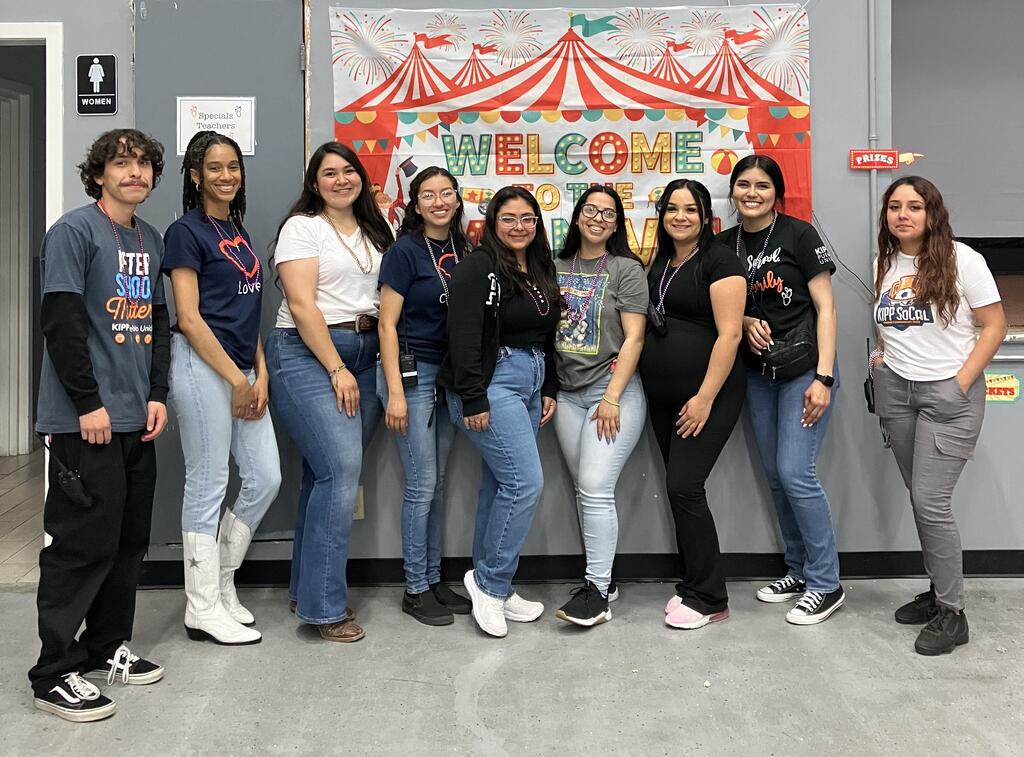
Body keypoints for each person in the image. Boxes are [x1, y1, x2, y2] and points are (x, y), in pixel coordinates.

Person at [30, 129, 170, 722]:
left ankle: (107, 646)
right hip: (84, 419)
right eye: (121, 163)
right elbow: (61, 322)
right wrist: (87, 403)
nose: (134, 172)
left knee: (128, 541)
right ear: (99, 174)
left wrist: (157, 394)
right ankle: (53, 672)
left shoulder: (152, 238)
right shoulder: (73, 232)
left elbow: (156, 323)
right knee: (81, 544)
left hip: (136, 418)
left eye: (143, 164)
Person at [871, 176, 1006, 655]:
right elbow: (892, 322)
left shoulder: (963, 259)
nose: (903, 215)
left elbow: (995, 325)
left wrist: (960, 383)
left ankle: (953, 613)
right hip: (896, 392)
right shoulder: (884, 261)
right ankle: (938, 591)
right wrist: (882, 356)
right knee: (919, 498)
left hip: (948, 394)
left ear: (932, 213)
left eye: (914, 206)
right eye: (894, 207)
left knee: (931, 501)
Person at [265, 142, 393, 643]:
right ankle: (325, 608)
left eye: (348, 171)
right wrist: (336, 368)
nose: (341, 180)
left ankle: (306, 589)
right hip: (308, 352)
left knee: (324, 475)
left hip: (367, 352)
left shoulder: (377, 229)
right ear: (314, 183)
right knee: (340, 472)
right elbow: (301, 305)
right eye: (329, 173)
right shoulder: (303, 228)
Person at [163, 131, 280, 646]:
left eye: (233, 166)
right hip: (202, 367)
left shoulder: (237, 230)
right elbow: (189, 318)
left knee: (266, 477)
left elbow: (246, 313)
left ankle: (223, 582)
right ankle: (202, 606)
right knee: (208, 482)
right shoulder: (185, 232)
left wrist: (259, 372)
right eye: (214, 167)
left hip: (243, 369)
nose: (226, 175)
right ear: (195, 176)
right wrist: (236, 378)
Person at [717, 155, 844, 625]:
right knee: (776, 475)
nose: (752, 193)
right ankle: (799, 570)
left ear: (777, 193)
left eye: (762, 186)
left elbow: (827, 308)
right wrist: (746, 319)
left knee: (796, 473)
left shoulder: (799, 235)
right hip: (757, 374)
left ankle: (827, 583)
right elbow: (719, 307)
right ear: (733, 191)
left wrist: (824, 378)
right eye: (744, 184)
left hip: (805, 371)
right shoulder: (724, 244)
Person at [438, 186, 560, 638]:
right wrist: (473, 397)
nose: (519, 227)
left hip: (531, 381)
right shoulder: (477, 267)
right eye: (508, 218)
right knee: (525, 483)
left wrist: (549, 386)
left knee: (500, 486)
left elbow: (547, 335)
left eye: (527, 218)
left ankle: (497, 584)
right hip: (492, 385)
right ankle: (489, 584)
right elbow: (463, 335)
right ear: (492, 223)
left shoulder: (540, 266)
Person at [639, 179, 746, 630]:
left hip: (707, 395)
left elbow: (731, 334)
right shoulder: (662, 260)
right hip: (663, 397)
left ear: (705, 217)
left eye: (690, 209)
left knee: (685, 486)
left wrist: (704, 398)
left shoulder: (720, 260)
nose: (680, 217)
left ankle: (710, 597)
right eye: (672, 209)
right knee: (676, 488)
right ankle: (691, 583)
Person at [376, 167, 472, 625]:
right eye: (429, 195)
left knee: (436, 483)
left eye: (446, 193)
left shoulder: (464, 249)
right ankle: (414, 588)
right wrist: (395, 390)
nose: (439, 202)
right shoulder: (404, 251)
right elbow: (386, 324)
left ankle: (434, 580)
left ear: (457, 200)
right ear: (415, 204)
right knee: (420, 484)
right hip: (411, 376)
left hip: (448, 377)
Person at [550, 187, 648, 627]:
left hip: (612, 393)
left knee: (594, 485)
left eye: (608, 213)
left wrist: (612, 397)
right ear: (577, 216)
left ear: (617, 224)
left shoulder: (626, 269)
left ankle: (597, 593)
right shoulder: (554, 266)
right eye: (591, 209)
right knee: (584, 488)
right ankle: (602, 580)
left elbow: (635, 337)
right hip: (567, 395)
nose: (598, 218)